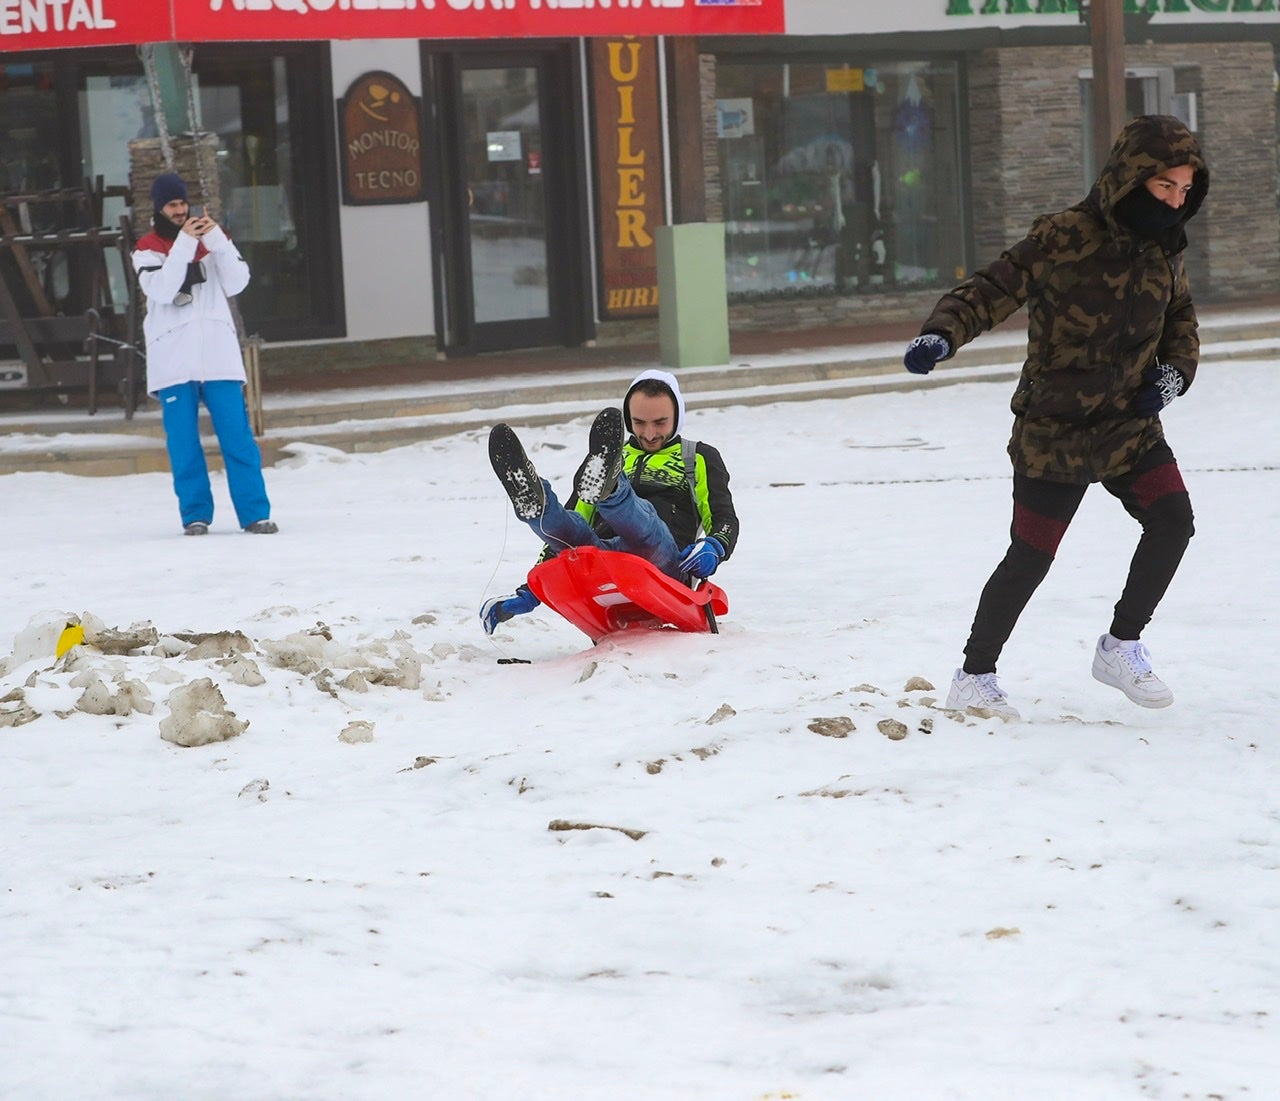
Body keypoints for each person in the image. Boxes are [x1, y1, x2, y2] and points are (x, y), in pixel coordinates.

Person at [901, 115, 1207, 719]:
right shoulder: (1064, 236)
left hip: (1129, 427)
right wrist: (941, 335)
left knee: (1173, 521)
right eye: (1164, 186)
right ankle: (974, 674)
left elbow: (1182, 321)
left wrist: (1173, 376)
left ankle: (1120, 645)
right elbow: (992, 289)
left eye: (1184, 190)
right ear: (1133, 176)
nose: (1175, 200)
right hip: (1055, 431)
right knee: (1031, 555)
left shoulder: (1166, 247)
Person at [481, 369, 739, 634]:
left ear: (678, 417)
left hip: (660, 561)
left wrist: (715, 546)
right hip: (603, 559)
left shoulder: (696, 457)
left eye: (660, 423)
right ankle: (536, 504)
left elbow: (723, 518)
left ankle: (614, 490)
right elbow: (575, 515)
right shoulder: (604, 456)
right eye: (639, 423)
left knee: (644, 526)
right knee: (566, 531)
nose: (649, 434)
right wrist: (531, 590)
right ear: (629, 420)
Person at [133, 172, 277, 536]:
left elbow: (237, 282)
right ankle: (195, 515)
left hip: (218, 356)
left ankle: (255, 513)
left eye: (183, 203)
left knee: (238, 438)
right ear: (159, 208)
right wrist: (184, 243)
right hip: (174, 361)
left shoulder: (212, 242)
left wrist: (216, 239)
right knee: (183, 444)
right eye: (172, 205)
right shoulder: (146, 248)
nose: (180, 210)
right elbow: (163, 289)